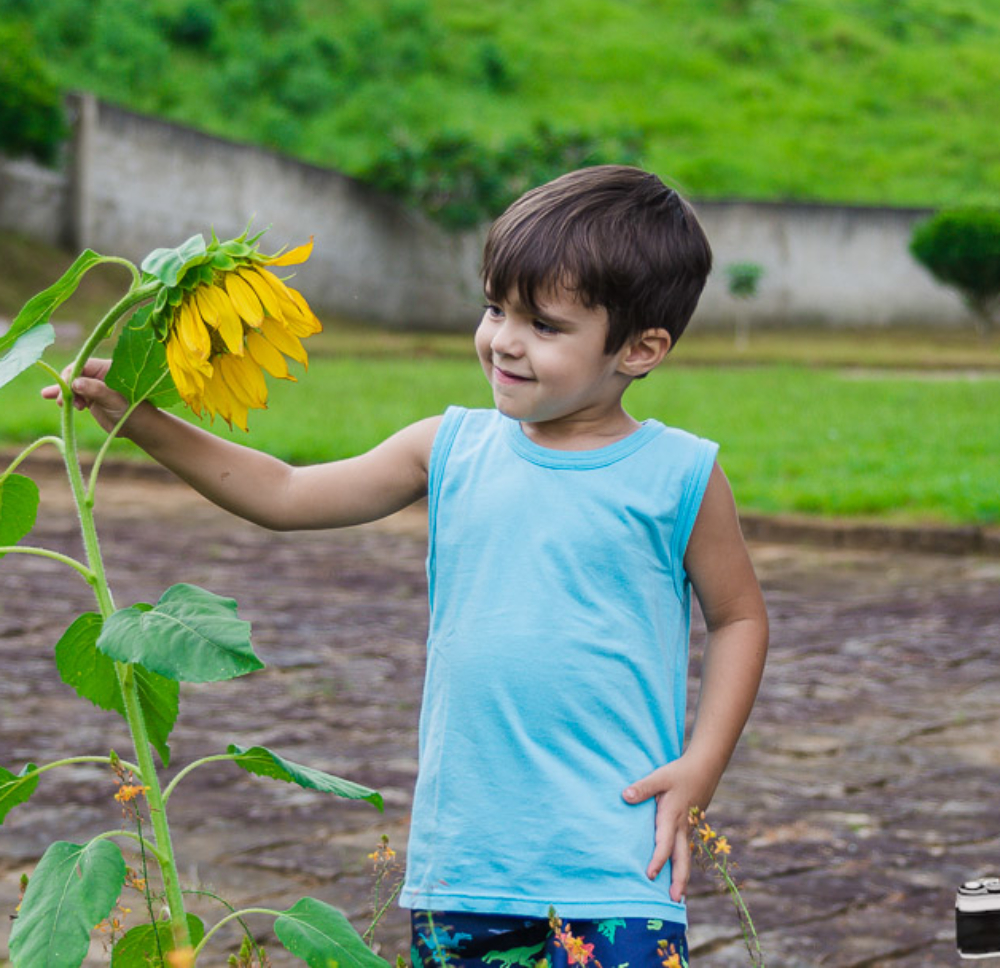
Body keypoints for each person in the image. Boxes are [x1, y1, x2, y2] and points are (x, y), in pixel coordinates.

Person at [48, 165, 768, 967]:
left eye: (545, 325)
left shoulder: (680, 475)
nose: (503, 339)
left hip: (615, 866)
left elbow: (738, 617)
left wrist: (701, 766)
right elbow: (283, 493)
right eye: (496, 307)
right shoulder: (449, 447)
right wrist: (142, 422)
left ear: (641, 348)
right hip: (463, 866)